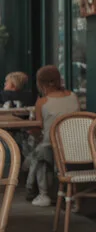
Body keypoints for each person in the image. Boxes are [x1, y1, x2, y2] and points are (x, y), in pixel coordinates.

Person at [26, 65, 79, 207]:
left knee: (38, 152)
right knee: (41, 150)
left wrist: (29, 127)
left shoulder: (42, 102)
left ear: (40, 83)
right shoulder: (73, 96)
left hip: (52, 146)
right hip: (77, 146)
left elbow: (37, 129)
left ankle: (41, 193)